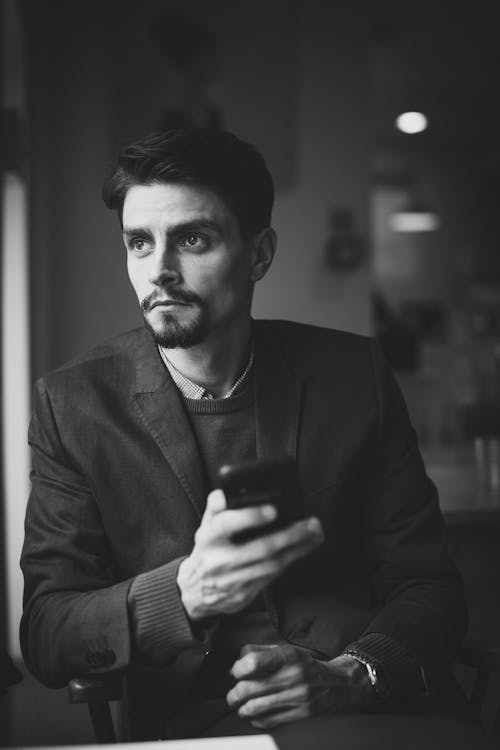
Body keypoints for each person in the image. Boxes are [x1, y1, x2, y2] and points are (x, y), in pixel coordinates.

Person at [20, 129, 467, 740]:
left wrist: (352, 675)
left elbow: (428, 583)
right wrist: (183, 594)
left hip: (360, 710)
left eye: (192, 239)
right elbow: (47, 631)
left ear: (258, 255)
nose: (160, 270)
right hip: (196, 730)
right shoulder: (71, 405)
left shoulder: (353, 376)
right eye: (138, 243)